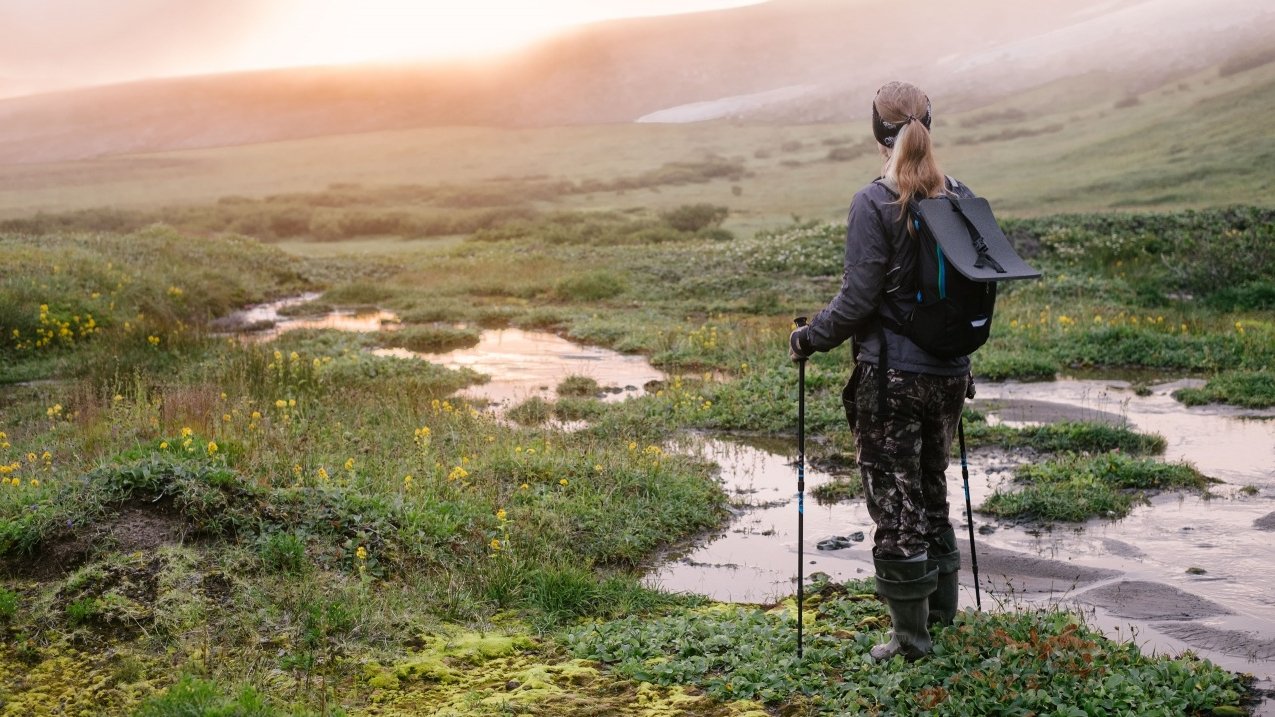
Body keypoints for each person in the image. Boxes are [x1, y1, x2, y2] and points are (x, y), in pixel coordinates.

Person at [788, 80, 973, 661]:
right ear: (929, 123)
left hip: (890, 379)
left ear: (877, 130)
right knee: (931, 491)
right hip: (949, 376)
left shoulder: (874, 201)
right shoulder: (961, 194)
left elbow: (858, 299)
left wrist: (808, 339)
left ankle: (910, 642)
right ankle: (939, 622)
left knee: (896, 506)